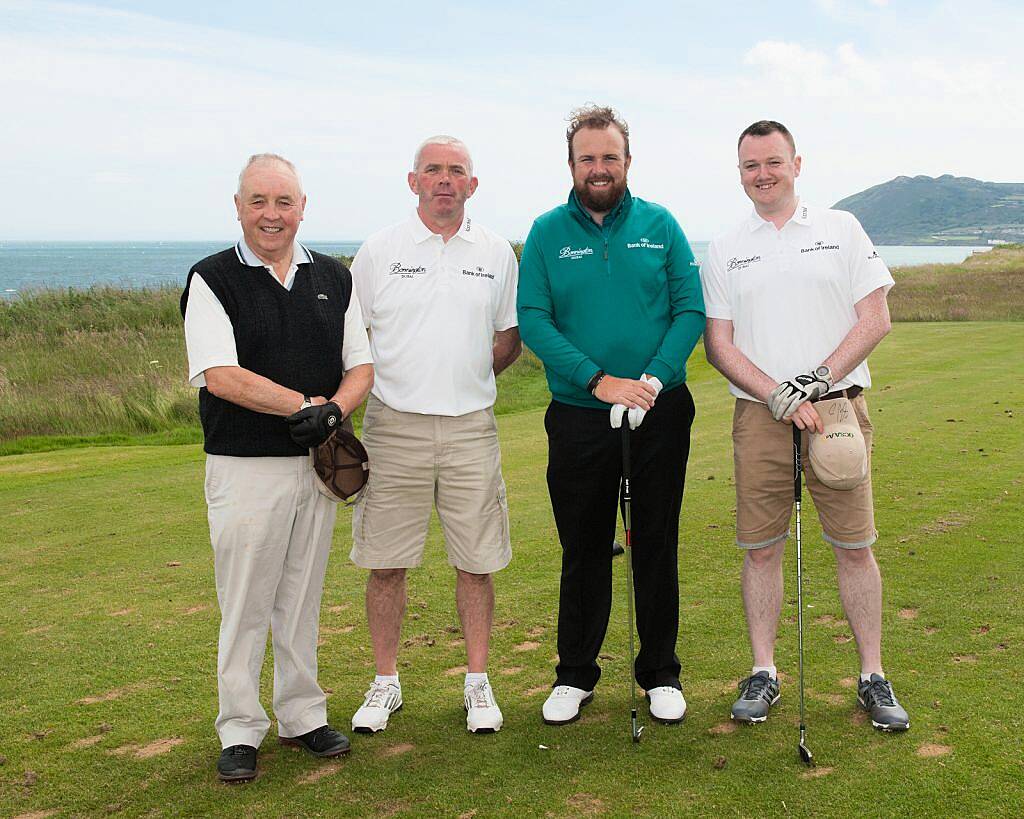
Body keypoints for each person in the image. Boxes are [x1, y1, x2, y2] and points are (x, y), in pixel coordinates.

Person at [701, 120, 910, 731]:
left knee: (854, 546)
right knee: (760, 550)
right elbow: (719, 344)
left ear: (797, 164)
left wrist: (813, 381)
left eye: (773, 162)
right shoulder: (725, 245)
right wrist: (778, 395)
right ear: (739, 173)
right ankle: (763, 671)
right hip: (761, 415)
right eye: (750, 166)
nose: (762, 174)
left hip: (837, 412)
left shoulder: (841, 229)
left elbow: (875, 319)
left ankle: (872, 675)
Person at [181, 153, 374, 782]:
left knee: (301, 596)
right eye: (259, 202)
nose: (272, 215)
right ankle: (239, 726)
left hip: (313, 466)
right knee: (245, 601)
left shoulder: (333, 276)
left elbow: (361, 365)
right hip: (244, 467)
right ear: (238, 207)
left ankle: (301, 715)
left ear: (302, 207)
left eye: (283, 202)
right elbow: (220, 374)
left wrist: (335, 411)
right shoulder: (212, 278)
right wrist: (305, 407)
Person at [517, 105, 705, 726]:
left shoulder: (661, 224)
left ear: (628, 160)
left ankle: (660, 674)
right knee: (584, 545)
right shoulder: (547, 232)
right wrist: (601, 383)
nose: (599, 169)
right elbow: (536, 321)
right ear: (571, 163)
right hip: (578, 413)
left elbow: (688, 311)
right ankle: (575, 674)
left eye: (610, 157)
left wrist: (649, 381)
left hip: (660, 407)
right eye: (587, 158)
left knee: (656, 539)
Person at [347, 136, 521, 734]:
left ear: (472, 185)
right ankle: (386, 682)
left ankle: (477, 684)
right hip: (394, 428)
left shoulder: (497, 251)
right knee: (385, 563)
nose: (444, 180)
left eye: (456, 172)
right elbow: (353, 338)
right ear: (413, 180)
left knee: (476, 563)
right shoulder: (378, 251)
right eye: (433, 171)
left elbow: (507, 338)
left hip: (472, 427)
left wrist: (467, 378)